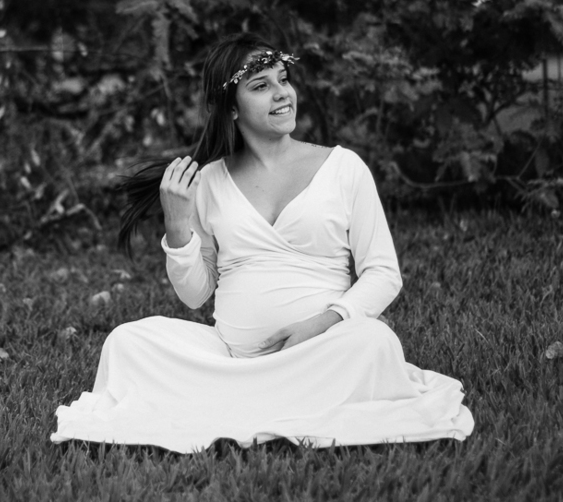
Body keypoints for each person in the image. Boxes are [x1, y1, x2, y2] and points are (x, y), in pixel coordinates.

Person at [51, 33, 474, 452]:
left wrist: (320, 325)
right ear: (231, 109)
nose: (281, 93)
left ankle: (233, 405)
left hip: (322, 351)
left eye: (283, 78)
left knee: (375, 341)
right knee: (127, 341)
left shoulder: (344, 168)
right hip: (231, 359)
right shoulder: (211, 180)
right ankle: (270, 399)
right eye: (261, 85)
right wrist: (177, 222)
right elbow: (196, 295)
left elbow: (382, 274)